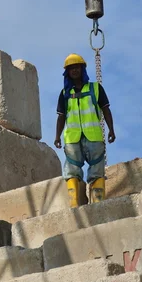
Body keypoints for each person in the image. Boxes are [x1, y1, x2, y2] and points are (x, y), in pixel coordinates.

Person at [54, 54, 116, 208]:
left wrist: (111, 130)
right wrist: (57, 136)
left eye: (77, 67)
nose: (74, 70)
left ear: (82, 69)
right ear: (67, 72)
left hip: (93, 137)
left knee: (97, 170)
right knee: (72, 171)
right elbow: (61, 117)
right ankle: (74, 203)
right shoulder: (64, 94)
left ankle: (98, 204)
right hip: (72, 139)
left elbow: (106, 109)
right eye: (71, 68)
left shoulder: (95, 88)